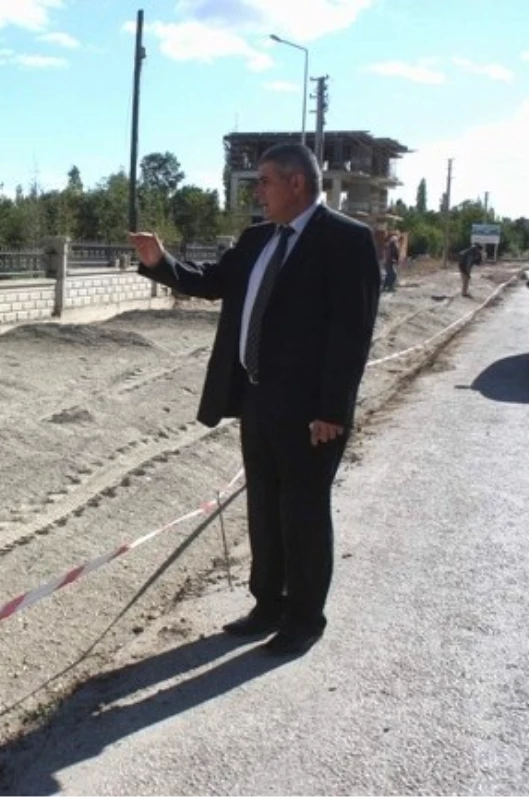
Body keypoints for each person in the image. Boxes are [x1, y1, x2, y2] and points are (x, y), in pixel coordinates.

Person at [129, 143, 379, 656]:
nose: (256, 190)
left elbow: (351, 332)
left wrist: (333, 409)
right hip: (257, 398)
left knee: (303, 513)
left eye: (264, 181)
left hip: (312, 413)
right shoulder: (258, 238)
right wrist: (162, 263)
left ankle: (305, 617)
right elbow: (215, 282)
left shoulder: (346, 241)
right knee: (265, 508)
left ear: (296, 183)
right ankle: (268, 603)